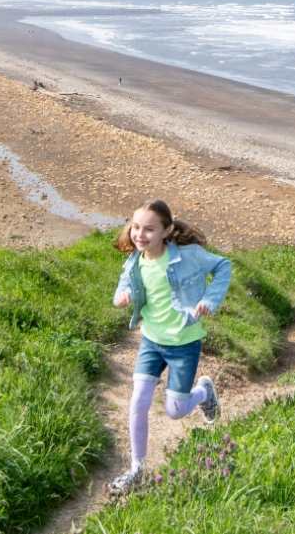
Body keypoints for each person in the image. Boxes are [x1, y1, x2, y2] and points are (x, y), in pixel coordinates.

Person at [109, 200, 231, 495]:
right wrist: (122, 297)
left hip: (184, 343)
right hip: (151, 341)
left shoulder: (188, 257)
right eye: (136, 227)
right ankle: (137, 468)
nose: (140, 234)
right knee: (138, 401)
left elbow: (223, 265)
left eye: (149, 229)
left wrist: (210, 300)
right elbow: (122, 288)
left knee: (175, 410)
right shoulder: (135, 262)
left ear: (167, 231)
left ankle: (203, 392)